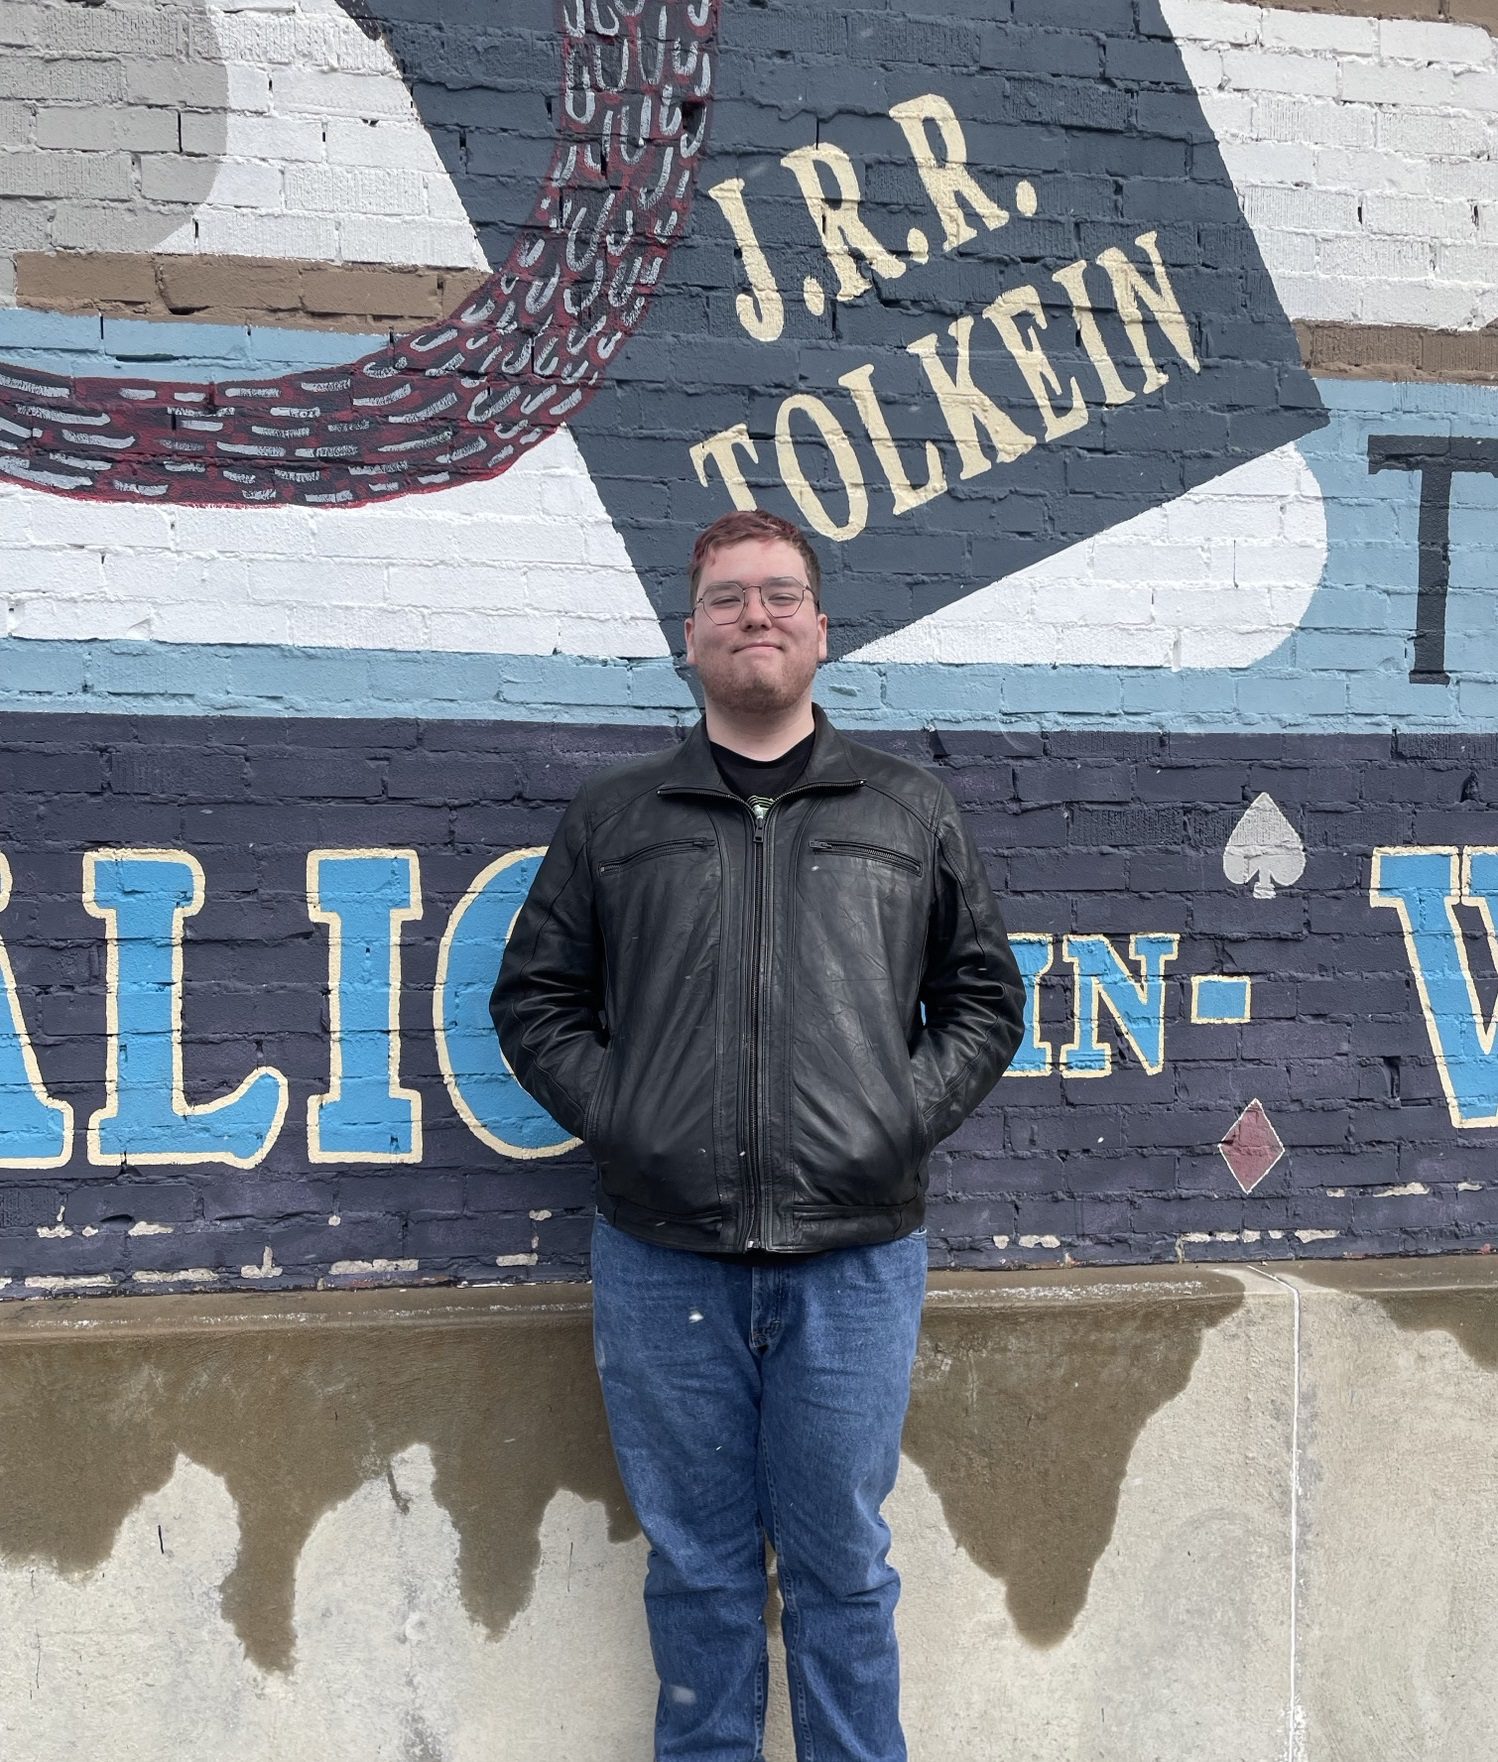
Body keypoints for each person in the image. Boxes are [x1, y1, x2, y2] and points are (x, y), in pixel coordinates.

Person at [490, 509, 1025, 1762]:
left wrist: (893, 1120)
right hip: (662, 1257)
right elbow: (536, 999)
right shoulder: (619, 818)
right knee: (699, 1574)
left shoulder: (906, 810)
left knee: (844, 1571)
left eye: (780, 595)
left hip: (854, 1258)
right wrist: (631, 1118)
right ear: (689, 638)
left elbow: (985, 998)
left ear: (821, 629)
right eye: (728, 598)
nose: (756, 617)